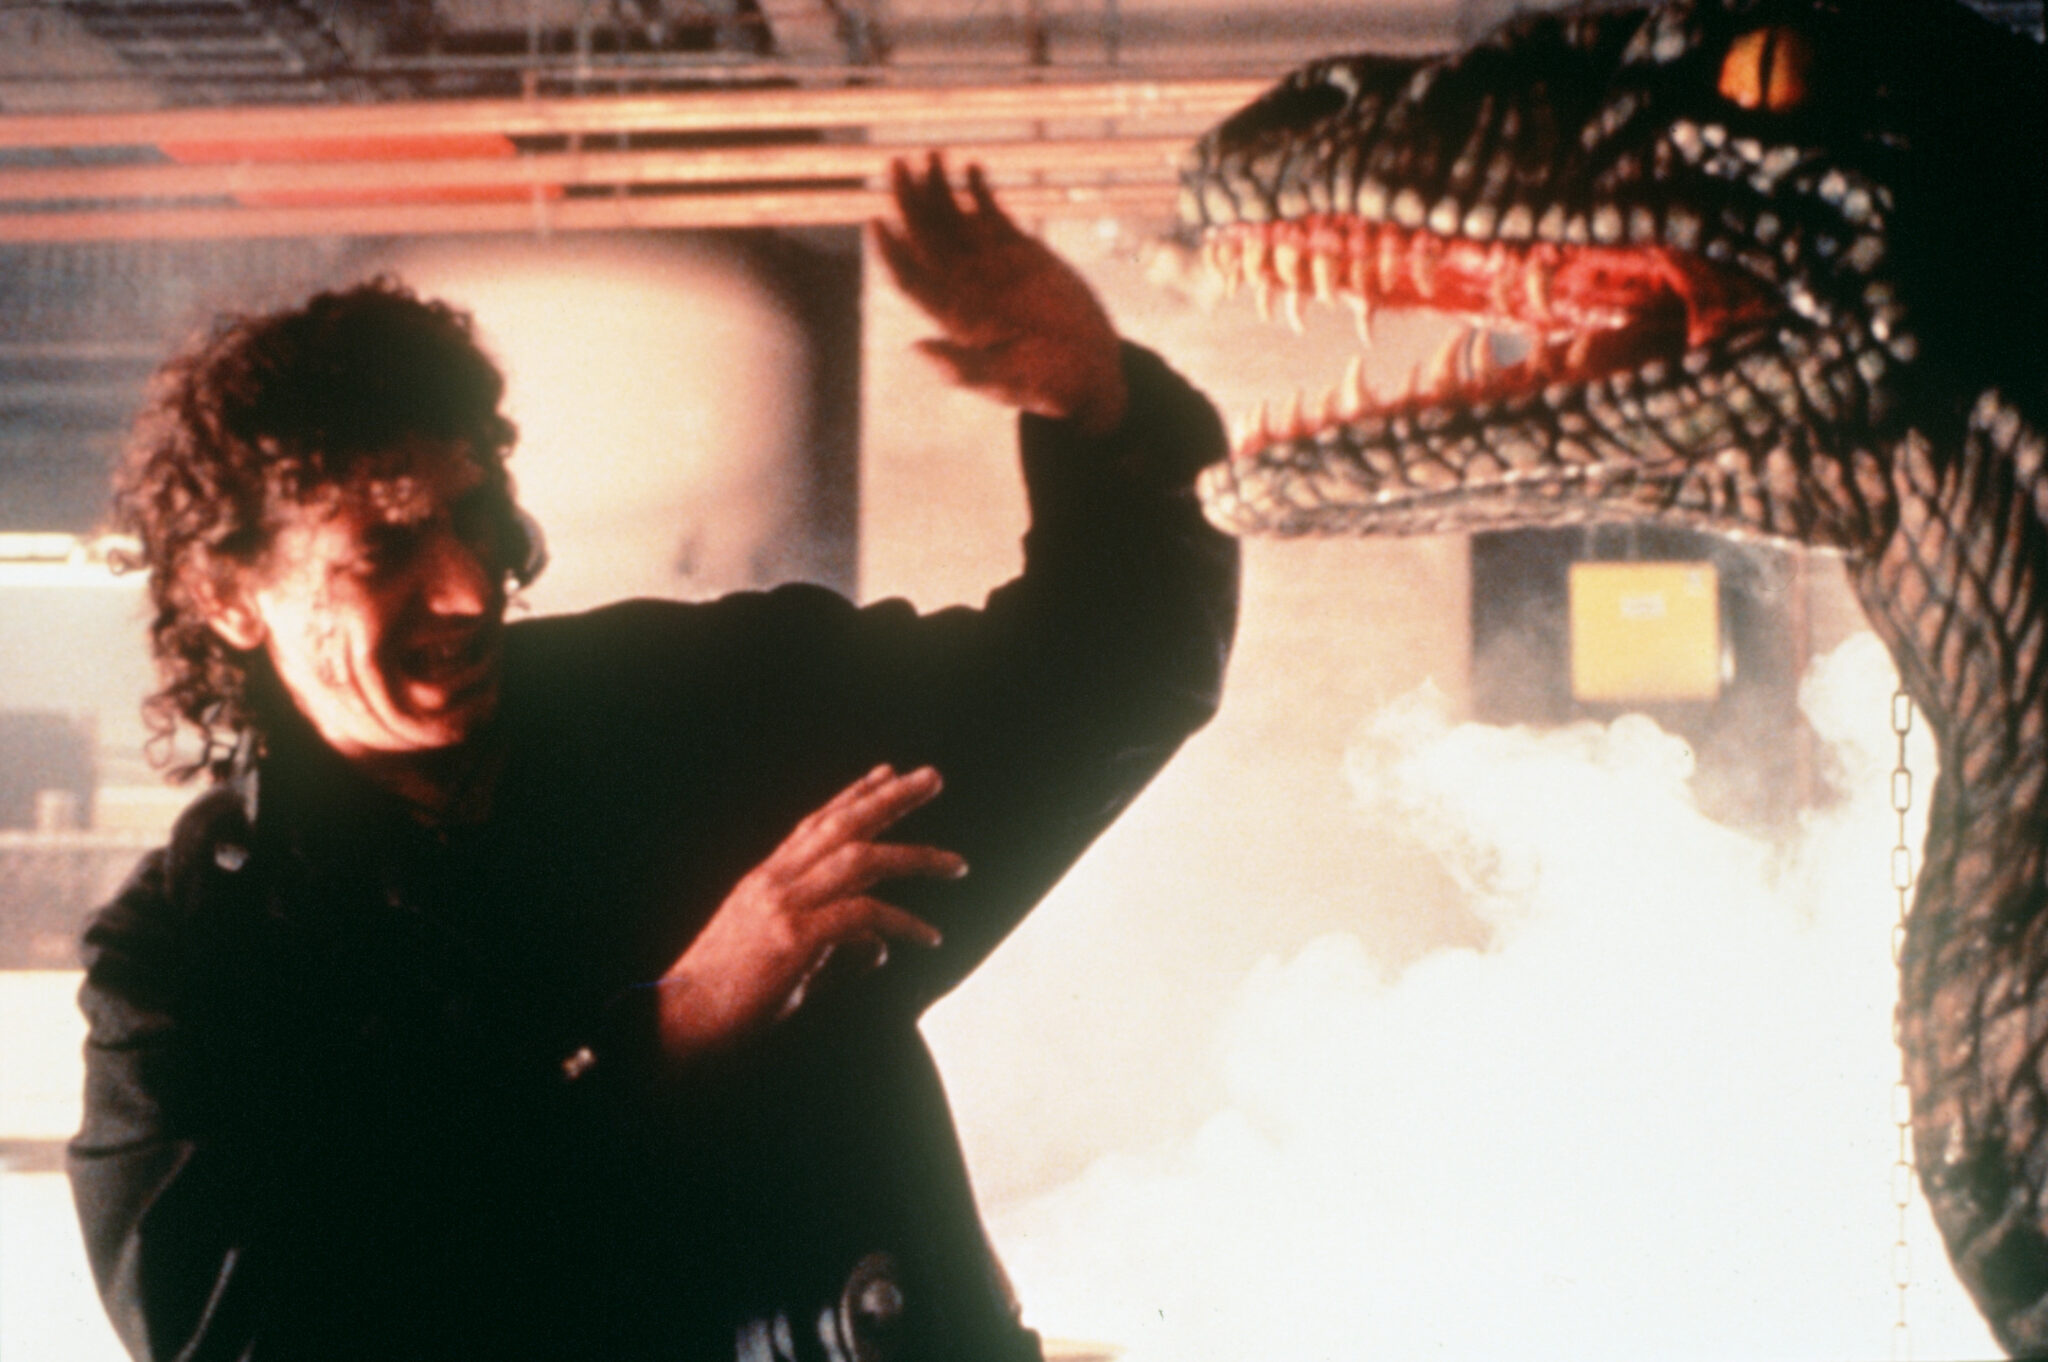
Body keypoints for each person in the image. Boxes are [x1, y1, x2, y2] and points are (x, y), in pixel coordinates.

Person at [67, 157, 1238, 1362]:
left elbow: (1102, 684)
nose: (466, 587)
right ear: (228, 595)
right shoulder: (189, 974)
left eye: (473, 515)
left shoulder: (702, 706)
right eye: (386, 547)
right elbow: (257, 1343)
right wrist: (666, 1035)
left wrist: (1101, 412)